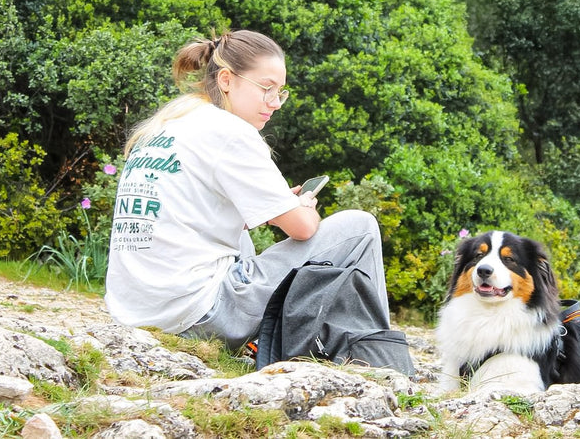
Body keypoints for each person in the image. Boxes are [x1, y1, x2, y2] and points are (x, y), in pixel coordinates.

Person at [104, 29, 391, 351]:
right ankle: (377, 351)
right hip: (200, 314)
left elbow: (188, 215)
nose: (275, 103)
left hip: (135, 311)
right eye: (266, 89)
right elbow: (303, 229)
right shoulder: (231, 131)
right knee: (360, 227)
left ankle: (282, 342)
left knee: (237, 228)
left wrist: (270, 209)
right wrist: (304, 206)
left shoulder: (168, 125)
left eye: (280, 92)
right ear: (226, 80)